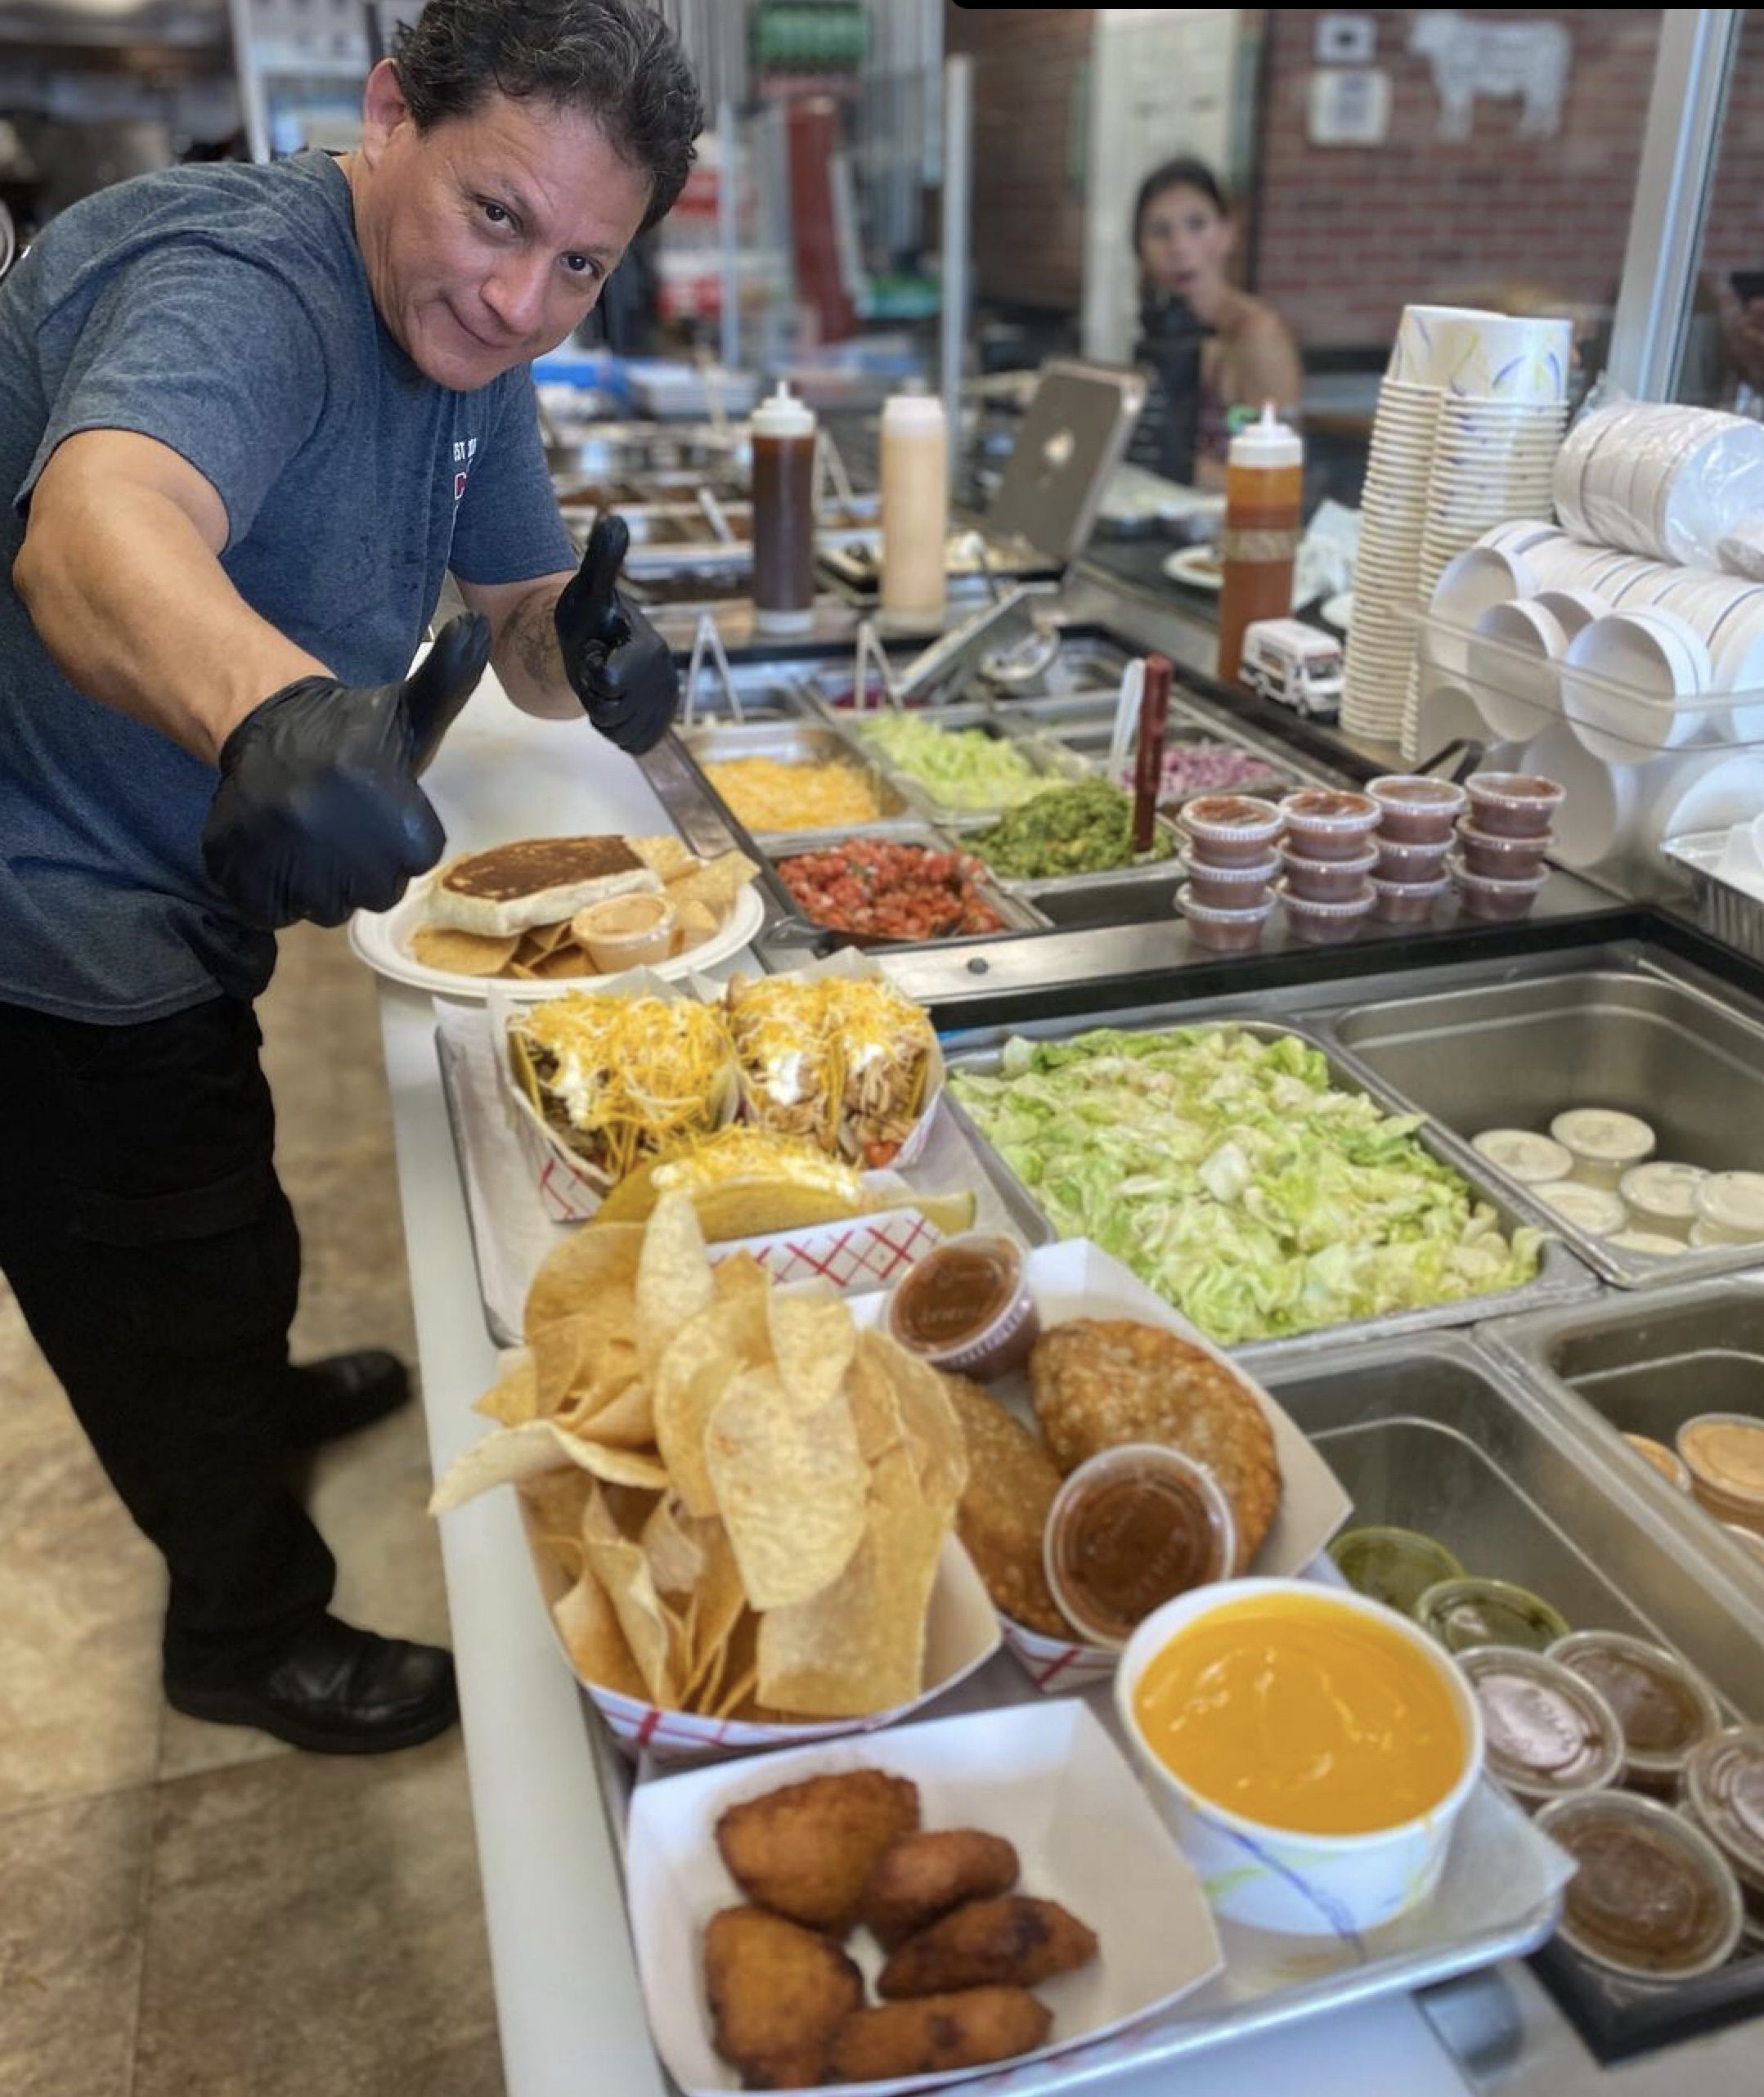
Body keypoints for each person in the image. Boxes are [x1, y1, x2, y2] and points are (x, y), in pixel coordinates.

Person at [0, 0, 702, 1754]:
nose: (523, 299)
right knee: (158, 1230)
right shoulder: (251, 284)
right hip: (45, 886)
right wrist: (274, 712)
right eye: (495, 219)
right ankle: (243, 1624)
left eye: (577, 266)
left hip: (176, 865)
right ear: (389, 111)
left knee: (226, 1215)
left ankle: (241, 1384)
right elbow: (93, 532)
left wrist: (588, 644)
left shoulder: (475, 333)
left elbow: (519, 608)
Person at [1129, 157, 1303, 489]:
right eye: (1159, 232)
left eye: (1197, 225)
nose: (1179, 248)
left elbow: (1277, 481)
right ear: (1140, 249)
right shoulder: (1163, 332)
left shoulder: (1256, 333)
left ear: (1227, 235)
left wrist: (1175, 466)